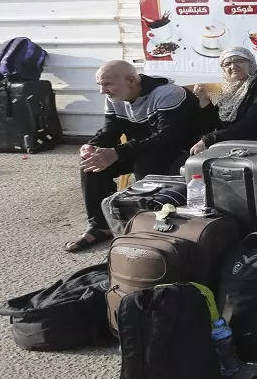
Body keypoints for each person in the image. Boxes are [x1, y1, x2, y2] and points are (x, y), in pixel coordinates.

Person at [68, 60, 198, 252]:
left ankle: (146, 225)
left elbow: (168, 139)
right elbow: (110, 133)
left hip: (178, 151)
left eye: (107, 84)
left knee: (145, 163)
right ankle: (100, 225)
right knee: (91, 162)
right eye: (100, 85)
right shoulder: (114, 97)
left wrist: (117, 152)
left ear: (130, 80)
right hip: (141, 148)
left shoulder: (168, 93)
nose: (103, 91)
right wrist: (92, 146)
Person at [190, 46, 257, 154]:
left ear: (250, 63)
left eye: (239, 61)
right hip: (241, 144)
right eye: (227, 64)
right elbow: (221, 125)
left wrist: (209, 140)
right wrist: (204, 100)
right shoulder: (230, 89)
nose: (233, 66)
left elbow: (252, 125)